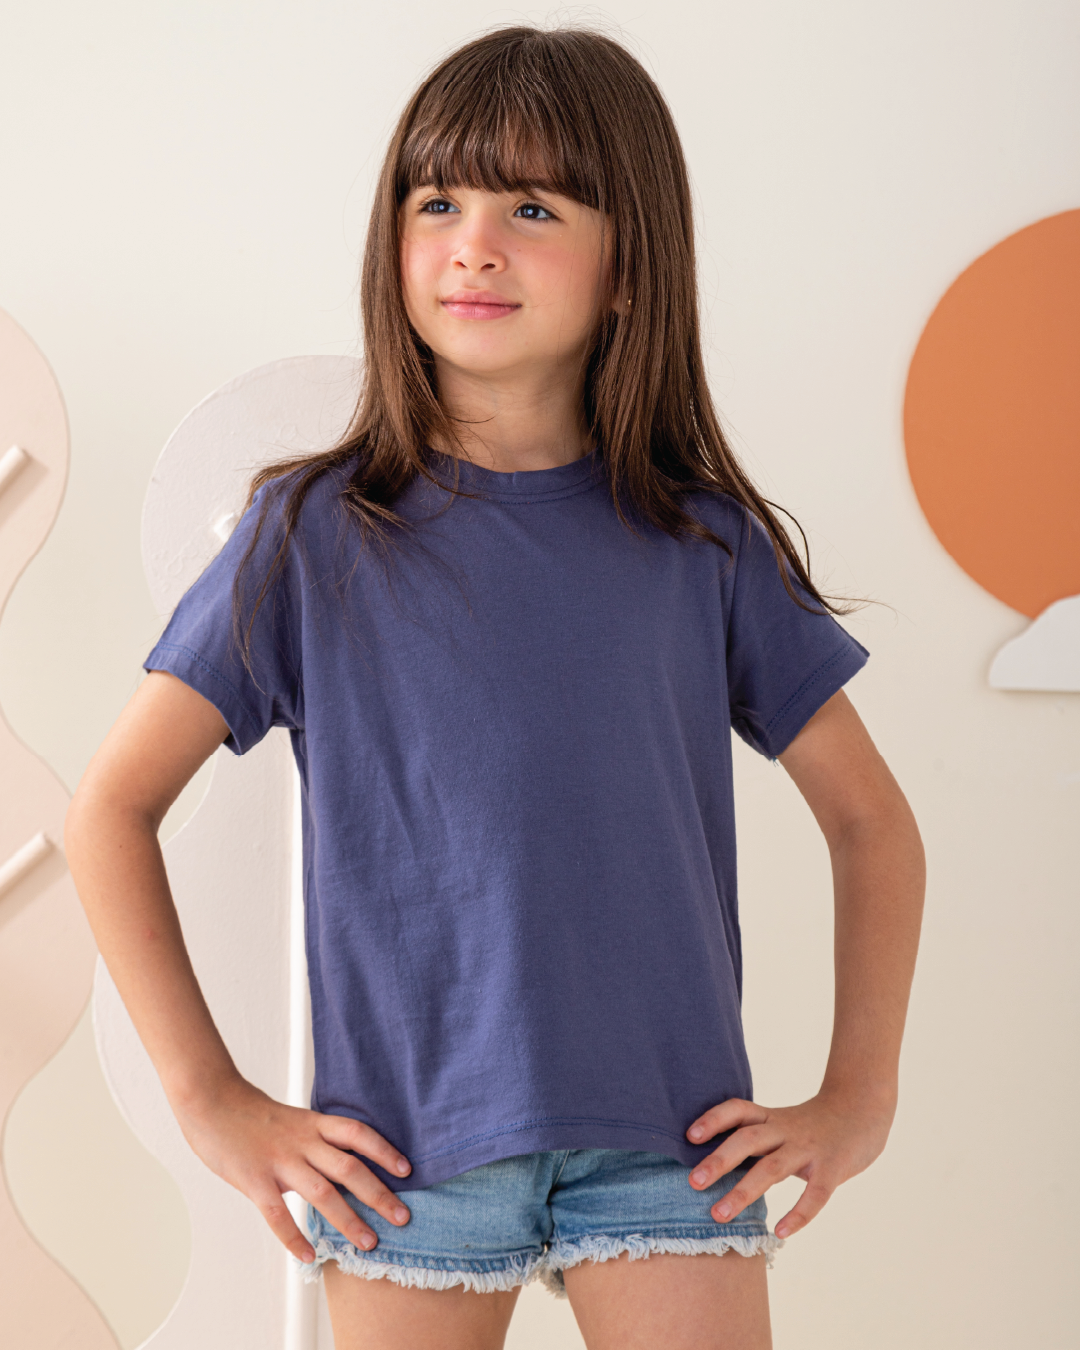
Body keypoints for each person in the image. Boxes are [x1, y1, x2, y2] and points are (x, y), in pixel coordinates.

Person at [65, 25, 925, 1350]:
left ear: (629, 267)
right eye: (437, 202)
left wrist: (860, 1095)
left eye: (531, 208)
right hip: (404, 1155)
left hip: (673, 1148)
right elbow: (109, 812)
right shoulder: (310, 537)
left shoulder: (703, 545)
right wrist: (211, 1101)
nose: (473, 244)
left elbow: (872, 821)